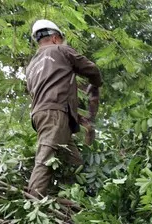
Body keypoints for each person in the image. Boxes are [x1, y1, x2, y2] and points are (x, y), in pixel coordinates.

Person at [26, 19, 102, 198]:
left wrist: (73, 115)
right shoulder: (61, 50)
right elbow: (92, 70)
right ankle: (31, 206)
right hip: (54, 115)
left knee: (74, 164)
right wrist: (96, 84)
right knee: (44, 160)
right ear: (54, 38)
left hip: (40, 114)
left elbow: (40, 92)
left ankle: (79, 203)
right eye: (61, 39)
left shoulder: (31, 65)